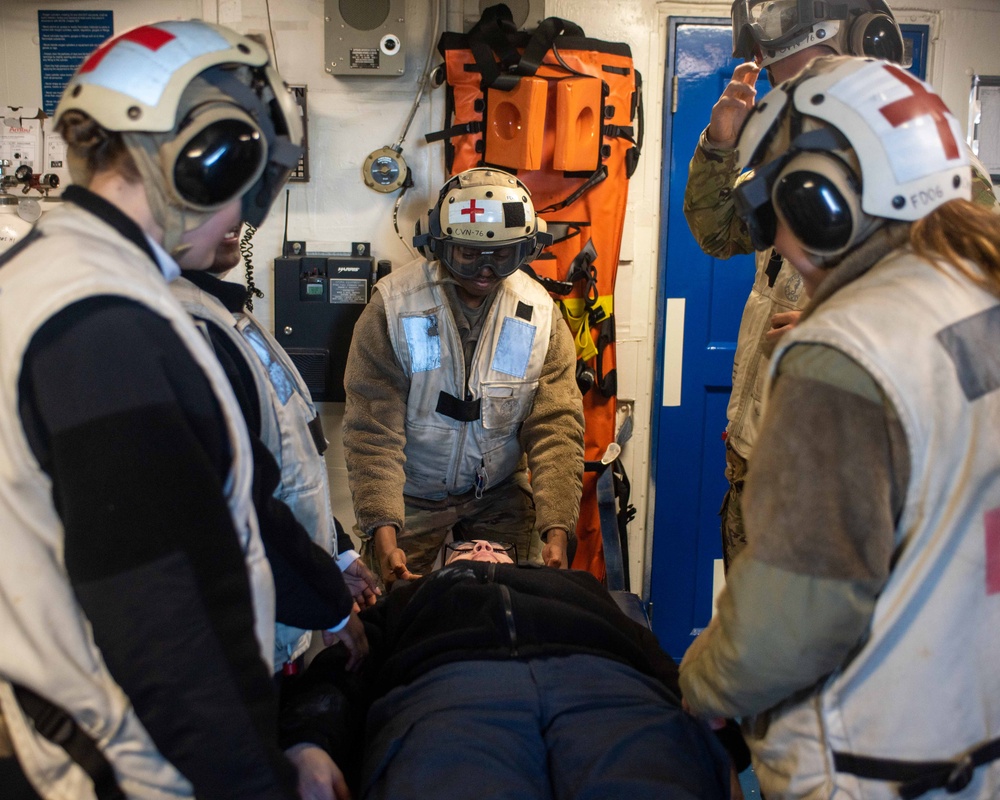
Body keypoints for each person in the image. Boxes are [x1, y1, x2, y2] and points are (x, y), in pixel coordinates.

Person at [0, 19, 315, 800]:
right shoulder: (105, 327)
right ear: (206, 165)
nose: (244, 216)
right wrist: (263, 779)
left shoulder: (44, 276)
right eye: (250, 182)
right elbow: (165, 625)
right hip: (146, 767)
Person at [679, 55, 1000, 799]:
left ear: (818, 200)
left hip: (872, 764)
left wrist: (703, 678)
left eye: (774, 203)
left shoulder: (848, 348)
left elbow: (796, 619)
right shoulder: (974, 285)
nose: (774, 234)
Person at [684, 0, 998, 569]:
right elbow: (720, 234)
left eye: (809, 83)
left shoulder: (935, 170)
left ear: (871, 53)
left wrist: (844, 336)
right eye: (783, 91)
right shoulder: (795, 158)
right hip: (763, 458)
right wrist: (720, 145)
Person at [279, 540, 737, 800]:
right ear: (443, 566)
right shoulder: (408, 598)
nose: (482, 548)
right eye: (465, 547)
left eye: (493, 546)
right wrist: (308, 742)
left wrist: (723, 750)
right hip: (451, 699)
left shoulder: (576, 584)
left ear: (516, 562)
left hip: (608, 691)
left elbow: (652, 655)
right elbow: (344, 666)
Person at [342, 167, 585, 586]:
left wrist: (557, 527)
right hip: (410, 494)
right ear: (439, 245)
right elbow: (372, 429)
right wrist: (383, 530)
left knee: (516, 604)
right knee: (393, 606)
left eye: (503, 255)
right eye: (467, 254)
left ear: (526, 250)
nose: (485, 269)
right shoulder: (395, 308)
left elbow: (555, 427)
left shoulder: (539, 314)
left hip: (499, 492)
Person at [173, 228, 380, 675]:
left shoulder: (229, 315)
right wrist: (329, 602)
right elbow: (237, 505)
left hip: (279, 615)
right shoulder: (186, 329)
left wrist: (338, 552)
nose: (238, 217)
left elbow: (290, 465)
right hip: (239, 636)